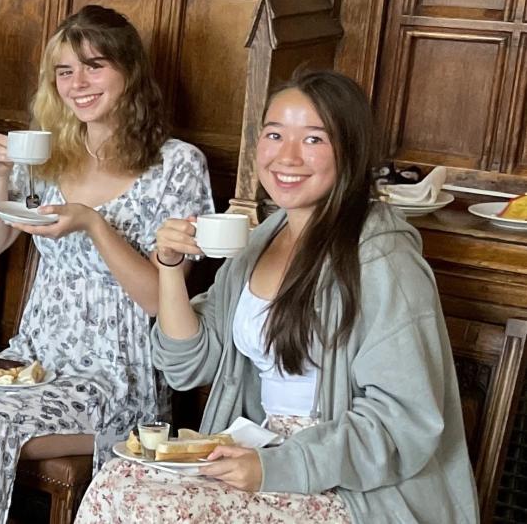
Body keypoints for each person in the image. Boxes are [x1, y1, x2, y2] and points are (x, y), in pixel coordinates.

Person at [75, 70, 478, 524]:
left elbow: (402, 422)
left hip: (349, 483)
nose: (287, 156)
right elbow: (188, 366)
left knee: (158, 511)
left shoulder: (383, 260)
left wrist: (278, 465)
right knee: (116, 482)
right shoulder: (263, 240)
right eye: (274, 134)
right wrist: (168, 268)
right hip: (258, 449)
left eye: (313, 140)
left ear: (351, 151)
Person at [0, 5, 215, 524]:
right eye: (64, 71)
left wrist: (94, 224)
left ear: (129, 71)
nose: (77, 83)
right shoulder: (48, 154)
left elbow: (157, 299)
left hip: (117, 377)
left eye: (94, 65)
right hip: (30, 361)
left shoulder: (177, 164)